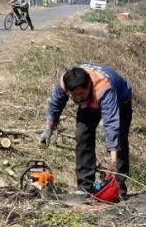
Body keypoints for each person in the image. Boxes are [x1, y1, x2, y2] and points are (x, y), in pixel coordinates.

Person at [40, 64, 133, 195]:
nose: (78, 98)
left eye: (81, 93)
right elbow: (55, 103)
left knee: (120, 142)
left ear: (89, 85)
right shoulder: (65, 83)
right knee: (83, 136)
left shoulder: (104, 88)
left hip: (120, 100)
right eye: (74, 95)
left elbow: (112, 124)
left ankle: (118, 187)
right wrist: (49, 127)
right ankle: (85, 187)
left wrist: (113, 160)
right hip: (89, 104)